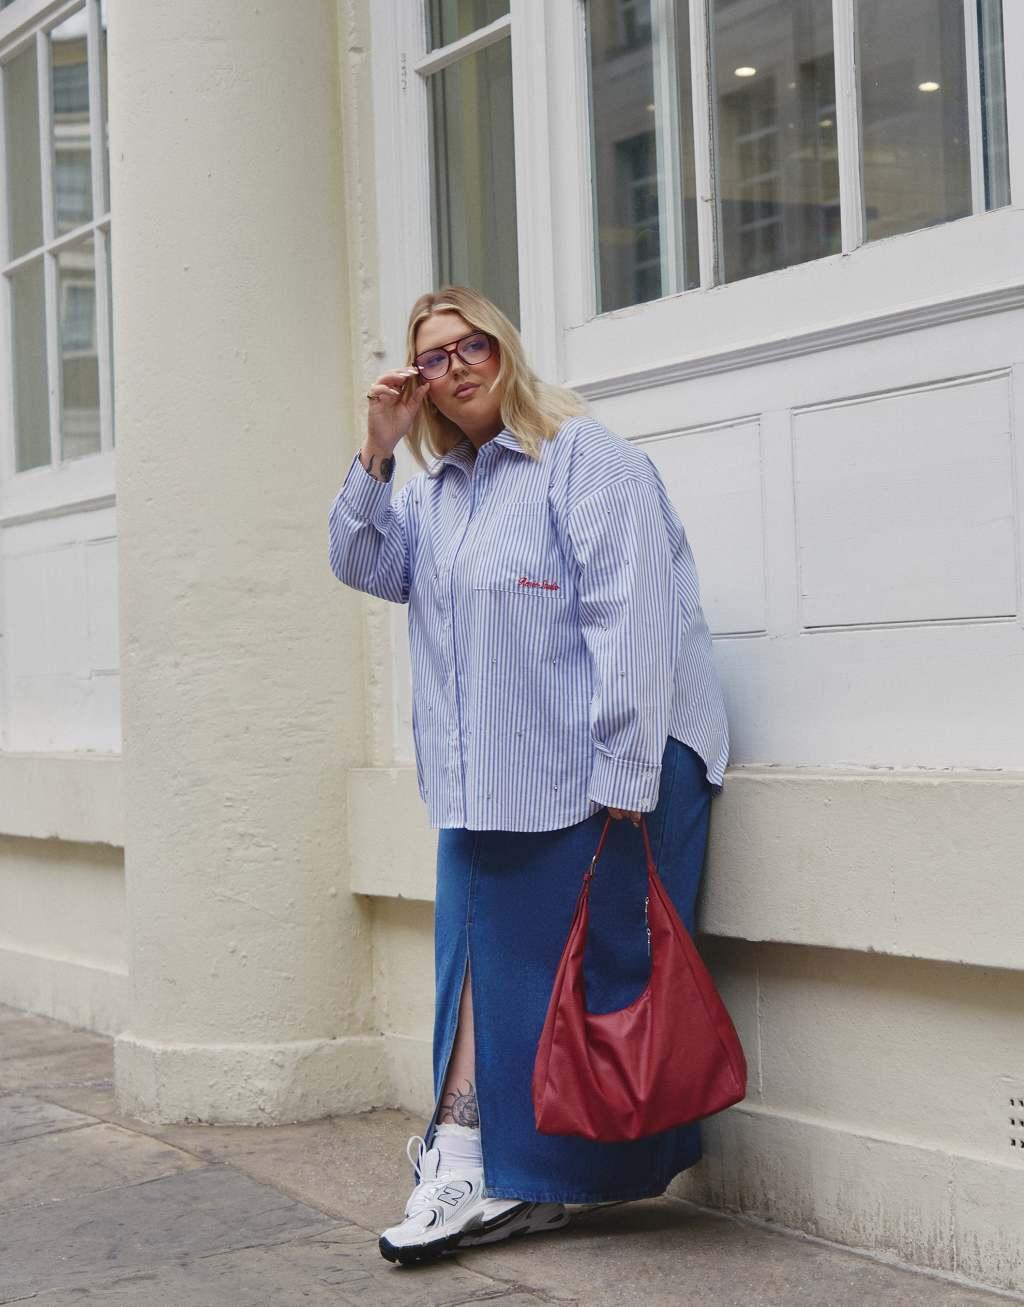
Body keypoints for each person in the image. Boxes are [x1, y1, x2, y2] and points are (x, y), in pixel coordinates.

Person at [327, 284, 729, 1266]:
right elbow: (359, 560)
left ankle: (481, 1162)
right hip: (491, 780)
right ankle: (478, 1157)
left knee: (560, 982)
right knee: (476, 965)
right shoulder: (432, 494)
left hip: (602, 769)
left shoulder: (583, 459)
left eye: (471, 345)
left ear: (505, 350)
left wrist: (624, 779)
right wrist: (376, 451)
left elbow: (628, 617)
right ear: (417, 382)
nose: (455, 365)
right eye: (432, 357)